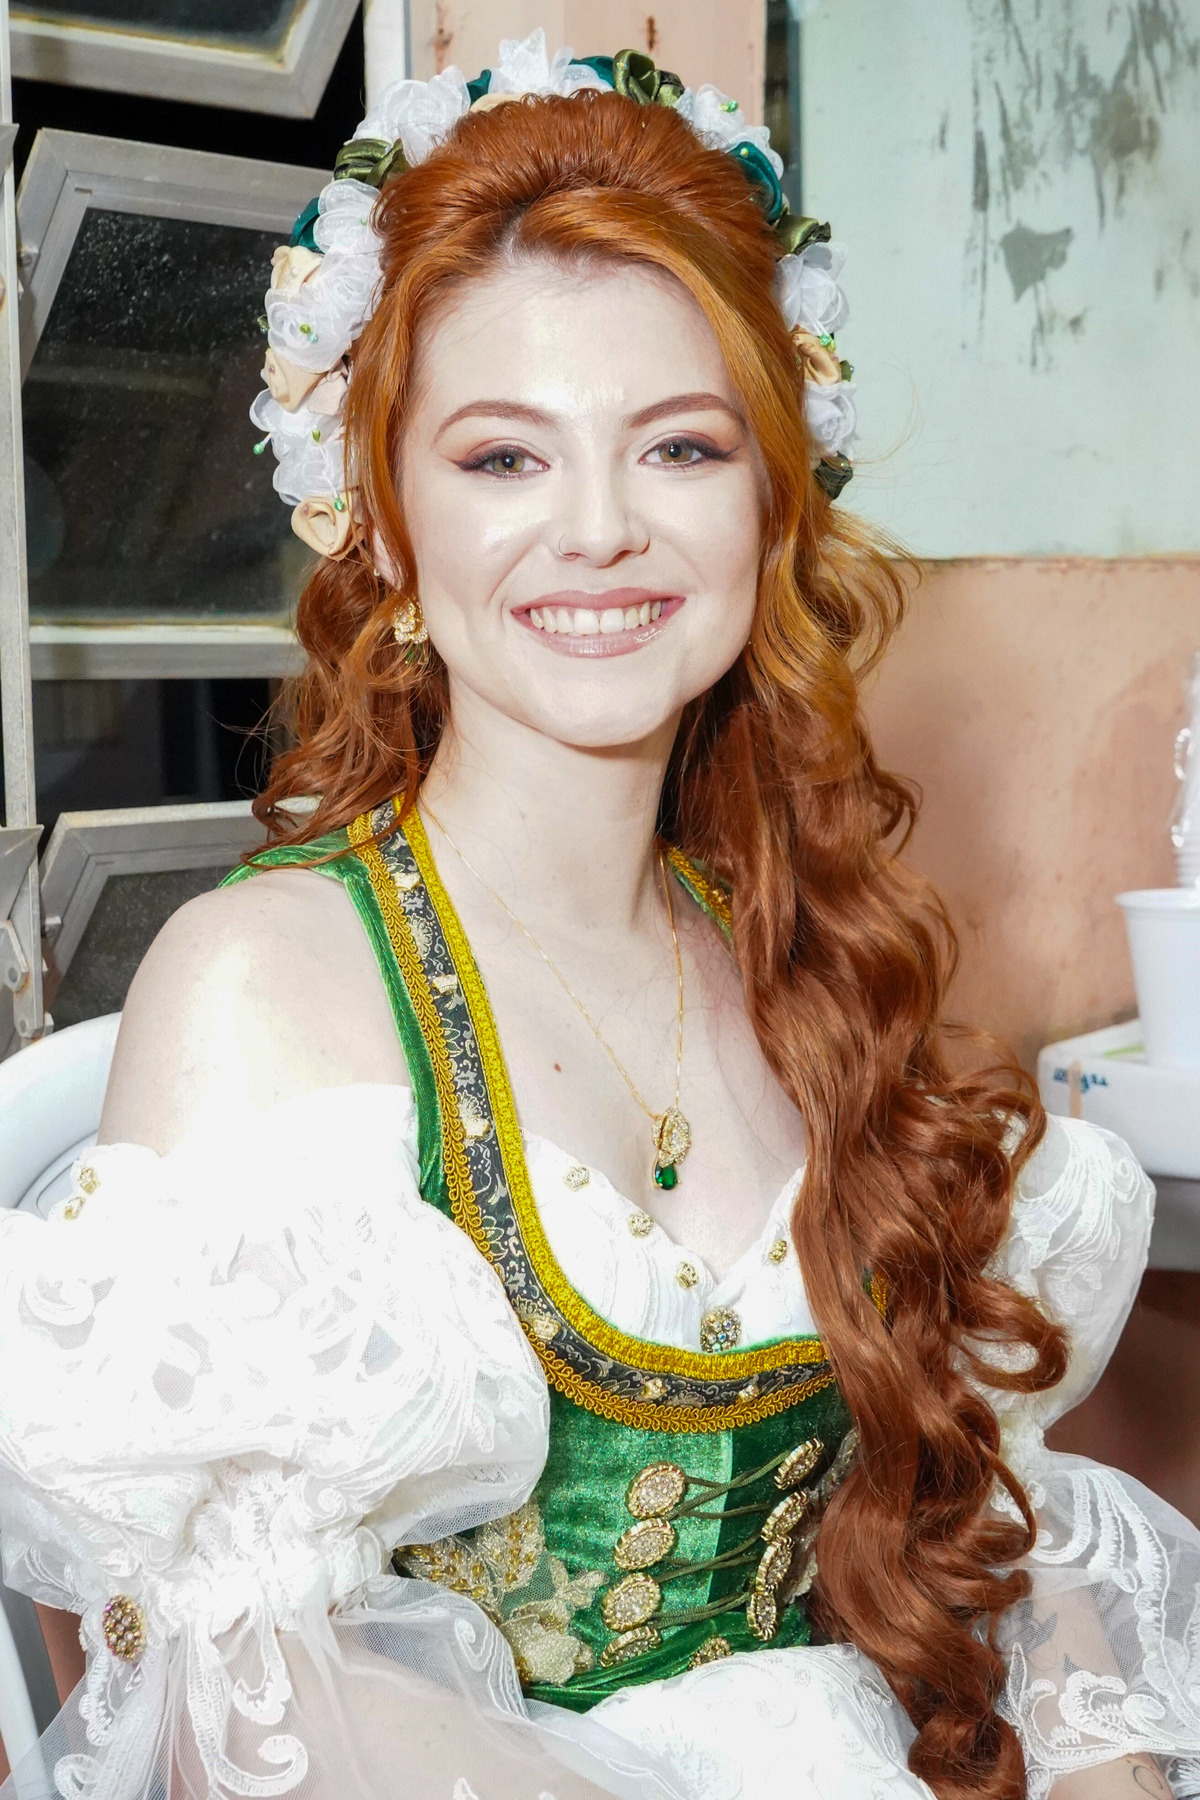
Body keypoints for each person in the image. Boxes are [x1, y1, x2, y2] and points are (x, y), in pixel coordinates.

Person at [2, 31, 1199, 1800]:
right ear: (382, 524)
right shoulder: (266, 989)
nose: (600, 532)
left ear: (770, 504)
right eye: (503, 458)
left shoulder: (811, 955)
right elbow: (252, 1693)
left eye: (679, 447)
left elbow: (994, 1524)